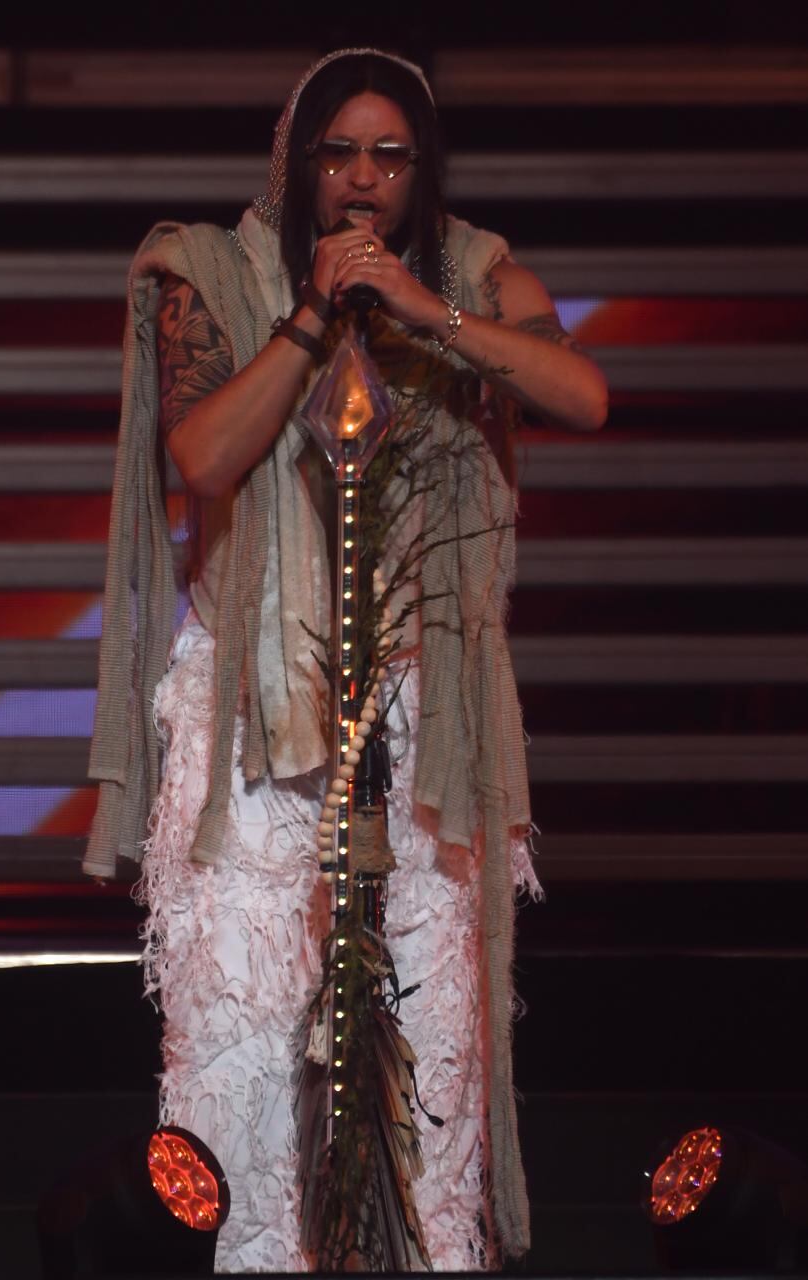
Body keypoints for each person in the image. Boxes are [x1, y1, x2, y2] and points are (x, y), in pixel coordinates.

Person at [84, 47, 607, 1273]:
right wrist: (316, 315)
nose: (361, 182)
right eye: (336, 153)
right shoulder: (212, 278)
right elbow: (204, 458)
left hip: (427, 723)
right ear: (296, 159)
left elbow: (580, 391)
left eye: (388, 155)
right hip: (257, 720)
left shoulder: (476, 271)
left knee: (426, 1062)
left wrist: (427, 315)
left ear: (421, 170)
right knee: (248, 1052)